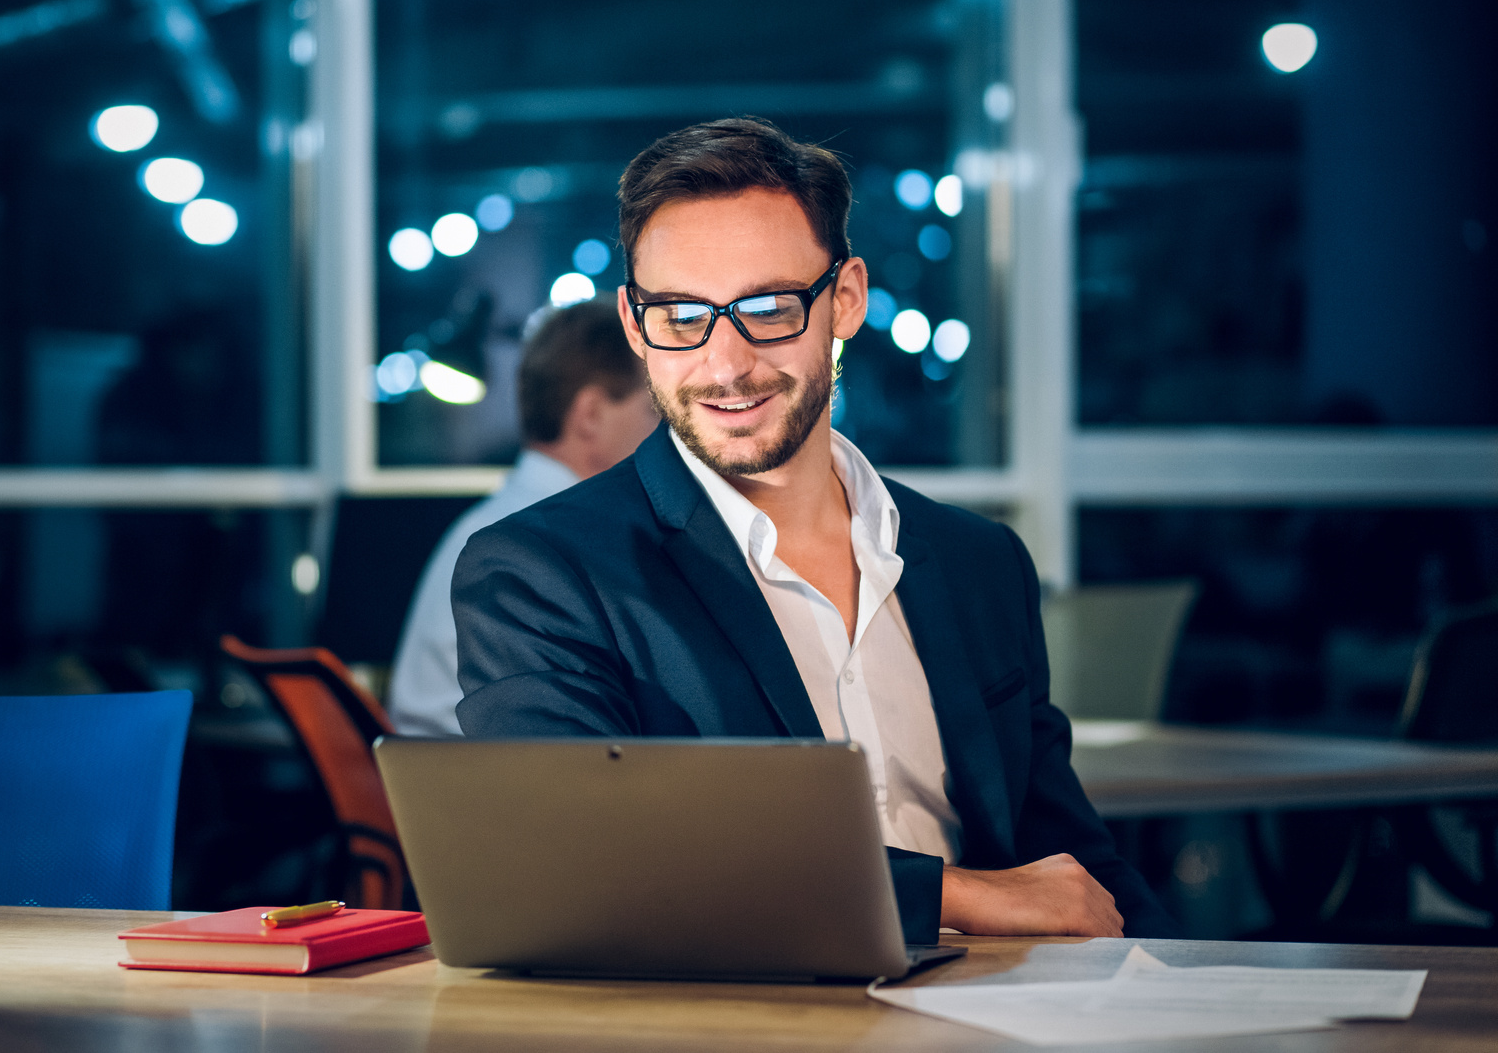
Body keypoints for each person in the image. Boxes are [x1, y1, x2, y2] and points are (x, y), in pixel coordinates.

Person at [451, 118, 1178, 939]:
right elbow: (581, 858)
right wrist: (955, 898)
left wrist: (1194, 995)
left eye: (767, 308)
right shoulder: (539, 572)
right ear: (633, 324)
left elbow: (1069, 865)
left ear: (847, 300)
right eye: (681, 316)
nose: (725, 365)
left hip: (1000, 1014)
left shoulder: (979, 563)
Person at [388, 297, 659, 736]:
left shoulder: (495, 522)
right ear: (590, 415)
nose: (663, 433)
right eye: (652, 411)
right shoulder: (542, 544)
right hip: (478, 790)